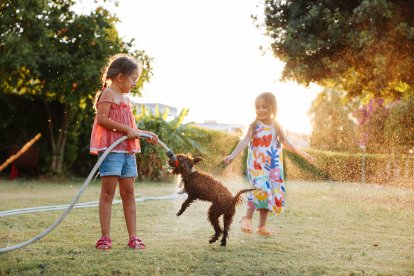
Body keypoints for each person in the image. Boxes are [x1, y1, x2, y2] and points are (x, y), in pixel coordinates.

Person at [90, 54, 157, 250]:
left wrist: (145, 134)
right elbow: (102, 120)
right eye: (133, 79)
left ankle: (133, 237)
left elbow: (130, 128)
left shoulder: (126, 99)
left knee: (129, 194)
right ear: (120, 77)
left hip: (127, 152)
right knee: (108, 194)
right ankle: (105, 237)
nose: (134, 83)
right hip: (111, 151)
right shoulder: (108, 94)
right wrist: (127, 130)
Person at [223, 92, 314, 236]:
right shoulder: (255, 125)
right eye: (257, 107)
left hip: (273, 168)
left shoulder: (276, 126)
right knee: (261, 189)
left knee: (268, 194)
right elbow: (245, 141)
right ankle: (247, 218)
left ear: (272, 107)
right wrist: (232, 156)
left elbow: (287, 143)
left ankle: (262, 226)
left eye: (264, 107)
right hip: (257, 166)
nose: (260, 110)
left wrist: (303, 154)